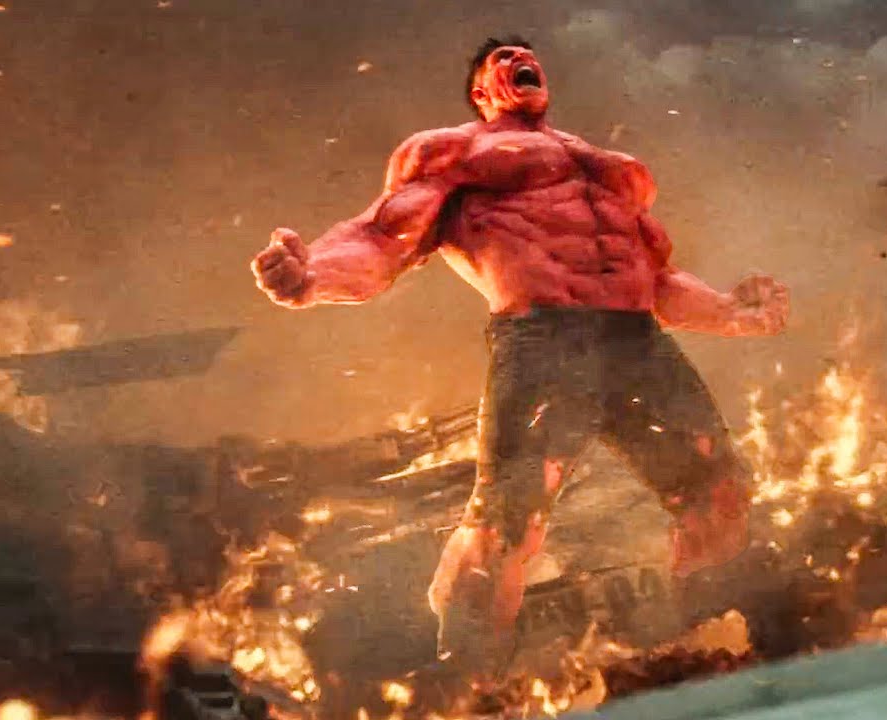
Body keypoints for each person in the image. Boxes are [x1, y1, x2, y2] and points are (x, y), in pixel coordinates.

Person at [252, 35, 790, 679]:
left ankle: (705, 654)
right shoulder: (454, 152)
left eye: (522, 54)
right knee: (509, 526)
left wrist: (731, 312)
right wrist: (313, 276)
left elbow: (660, 281)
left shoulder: (614, 171)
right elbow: (381, 239)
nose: (516, 60)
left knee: (719, 495)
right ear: (482, 93)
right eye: (499, 58)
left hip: (637, 343)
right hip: (544, 341)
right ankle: (467, 681)